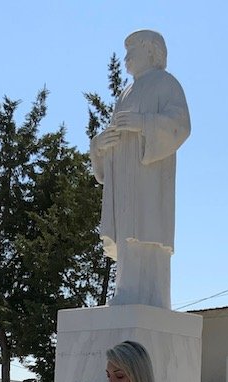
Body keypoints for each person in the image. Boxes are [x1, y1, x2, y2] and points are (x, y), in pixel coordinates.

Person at [89, 29, 190, 309]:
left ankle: (153, 299)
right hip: (124, 179)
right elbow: (114, 137)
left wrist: (143, 123)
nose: (126, 58)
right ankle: (126, 292)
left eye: (131, 51)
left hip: (151, 180)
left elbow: (180, 125)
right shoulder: (126, 93)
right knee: (128, 236)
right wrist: (97, 146)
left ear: (150, 50)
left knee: (149, 235)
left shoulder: (167, 84)